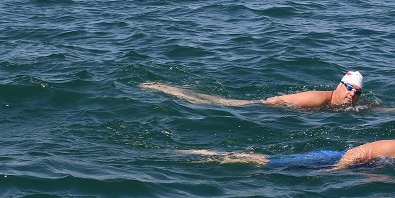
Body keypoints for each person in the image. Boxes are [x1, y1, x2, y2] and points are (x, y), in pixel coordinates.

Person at [179, 129, 395, 171]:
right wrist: (335, 170)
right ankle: (202, 155)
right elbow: (359, 153)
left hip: (344, 165)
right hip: (334, 159)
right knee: (267, 163)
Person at [141, 71, 366, 109]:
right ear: (339, 85)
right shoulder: (316, 99)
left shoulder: (348, 106)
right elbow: (277, 102)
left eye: (357, 92)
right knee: (213, 103)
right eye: (349, 88)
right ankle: (165, 89)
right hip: (263, 107)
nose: (352, 94)